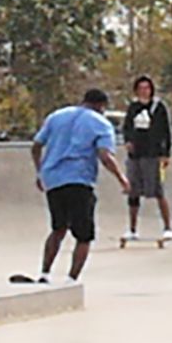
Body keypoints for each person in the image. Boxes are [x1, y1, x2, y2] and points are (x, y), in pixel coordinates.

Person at [16, 86, 130, 283]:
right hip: (79, 180)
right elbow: (105, 156)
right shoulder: (101, 124)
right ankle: (71, 279)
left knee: (58, 228)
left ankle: (45, 273)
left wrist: (40, 172)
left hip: (53, 180)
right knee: (84, 235)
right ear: (102, 106)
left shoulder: (56, 116)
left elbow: (36, 146)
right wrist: (122, 178)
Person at [117, 74, 172, 245]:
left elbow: (166, 131)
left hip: (153, 153)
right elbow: (126, 127)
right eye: (141, 88)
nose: (144, 91)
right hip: (136, 155)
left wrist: (166, 153)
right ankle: (132, 229)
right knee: (133, 191)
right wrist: (128, 141)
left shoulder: (159, 107)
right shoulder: (133, 108)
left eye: (147, 88)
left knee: (157, 190)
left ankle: (167, 227)